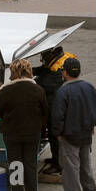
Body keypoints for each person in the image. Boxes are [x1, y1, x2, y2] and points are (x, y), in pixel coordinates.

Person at [0, 58, 48, 191]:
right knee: (31, 164)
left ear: (13, 72)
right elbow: (45, 113)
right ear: (29, 71)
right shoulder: (38, 90)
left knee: (16, 165)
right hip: (33, 134)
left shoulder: (5, 90)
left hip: (12, 134)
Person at [49, 58, 96, 191]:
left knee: (71, 168)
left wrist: (58, 133)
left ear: (64, 72)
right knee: (86, 165)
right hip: (86, 134)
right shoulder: (89, 87)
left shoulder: (63, 91)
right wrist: (92, 125)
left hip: (69, 136)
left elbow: (57, 116)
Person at [34, 46, 71, 178]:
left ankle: (58, 165)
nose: (42, 60)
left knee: (55, 137)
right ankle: (56, 159)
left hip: (55, 109)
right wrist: (29, 70)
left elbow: (47, 85)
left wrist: (34, 81)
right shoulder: (57, 61)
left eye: (43, 57)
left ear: (50, 55)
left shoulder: (56, 70)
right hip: (55, 107)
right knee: (53, 136)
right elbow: (43, 69)